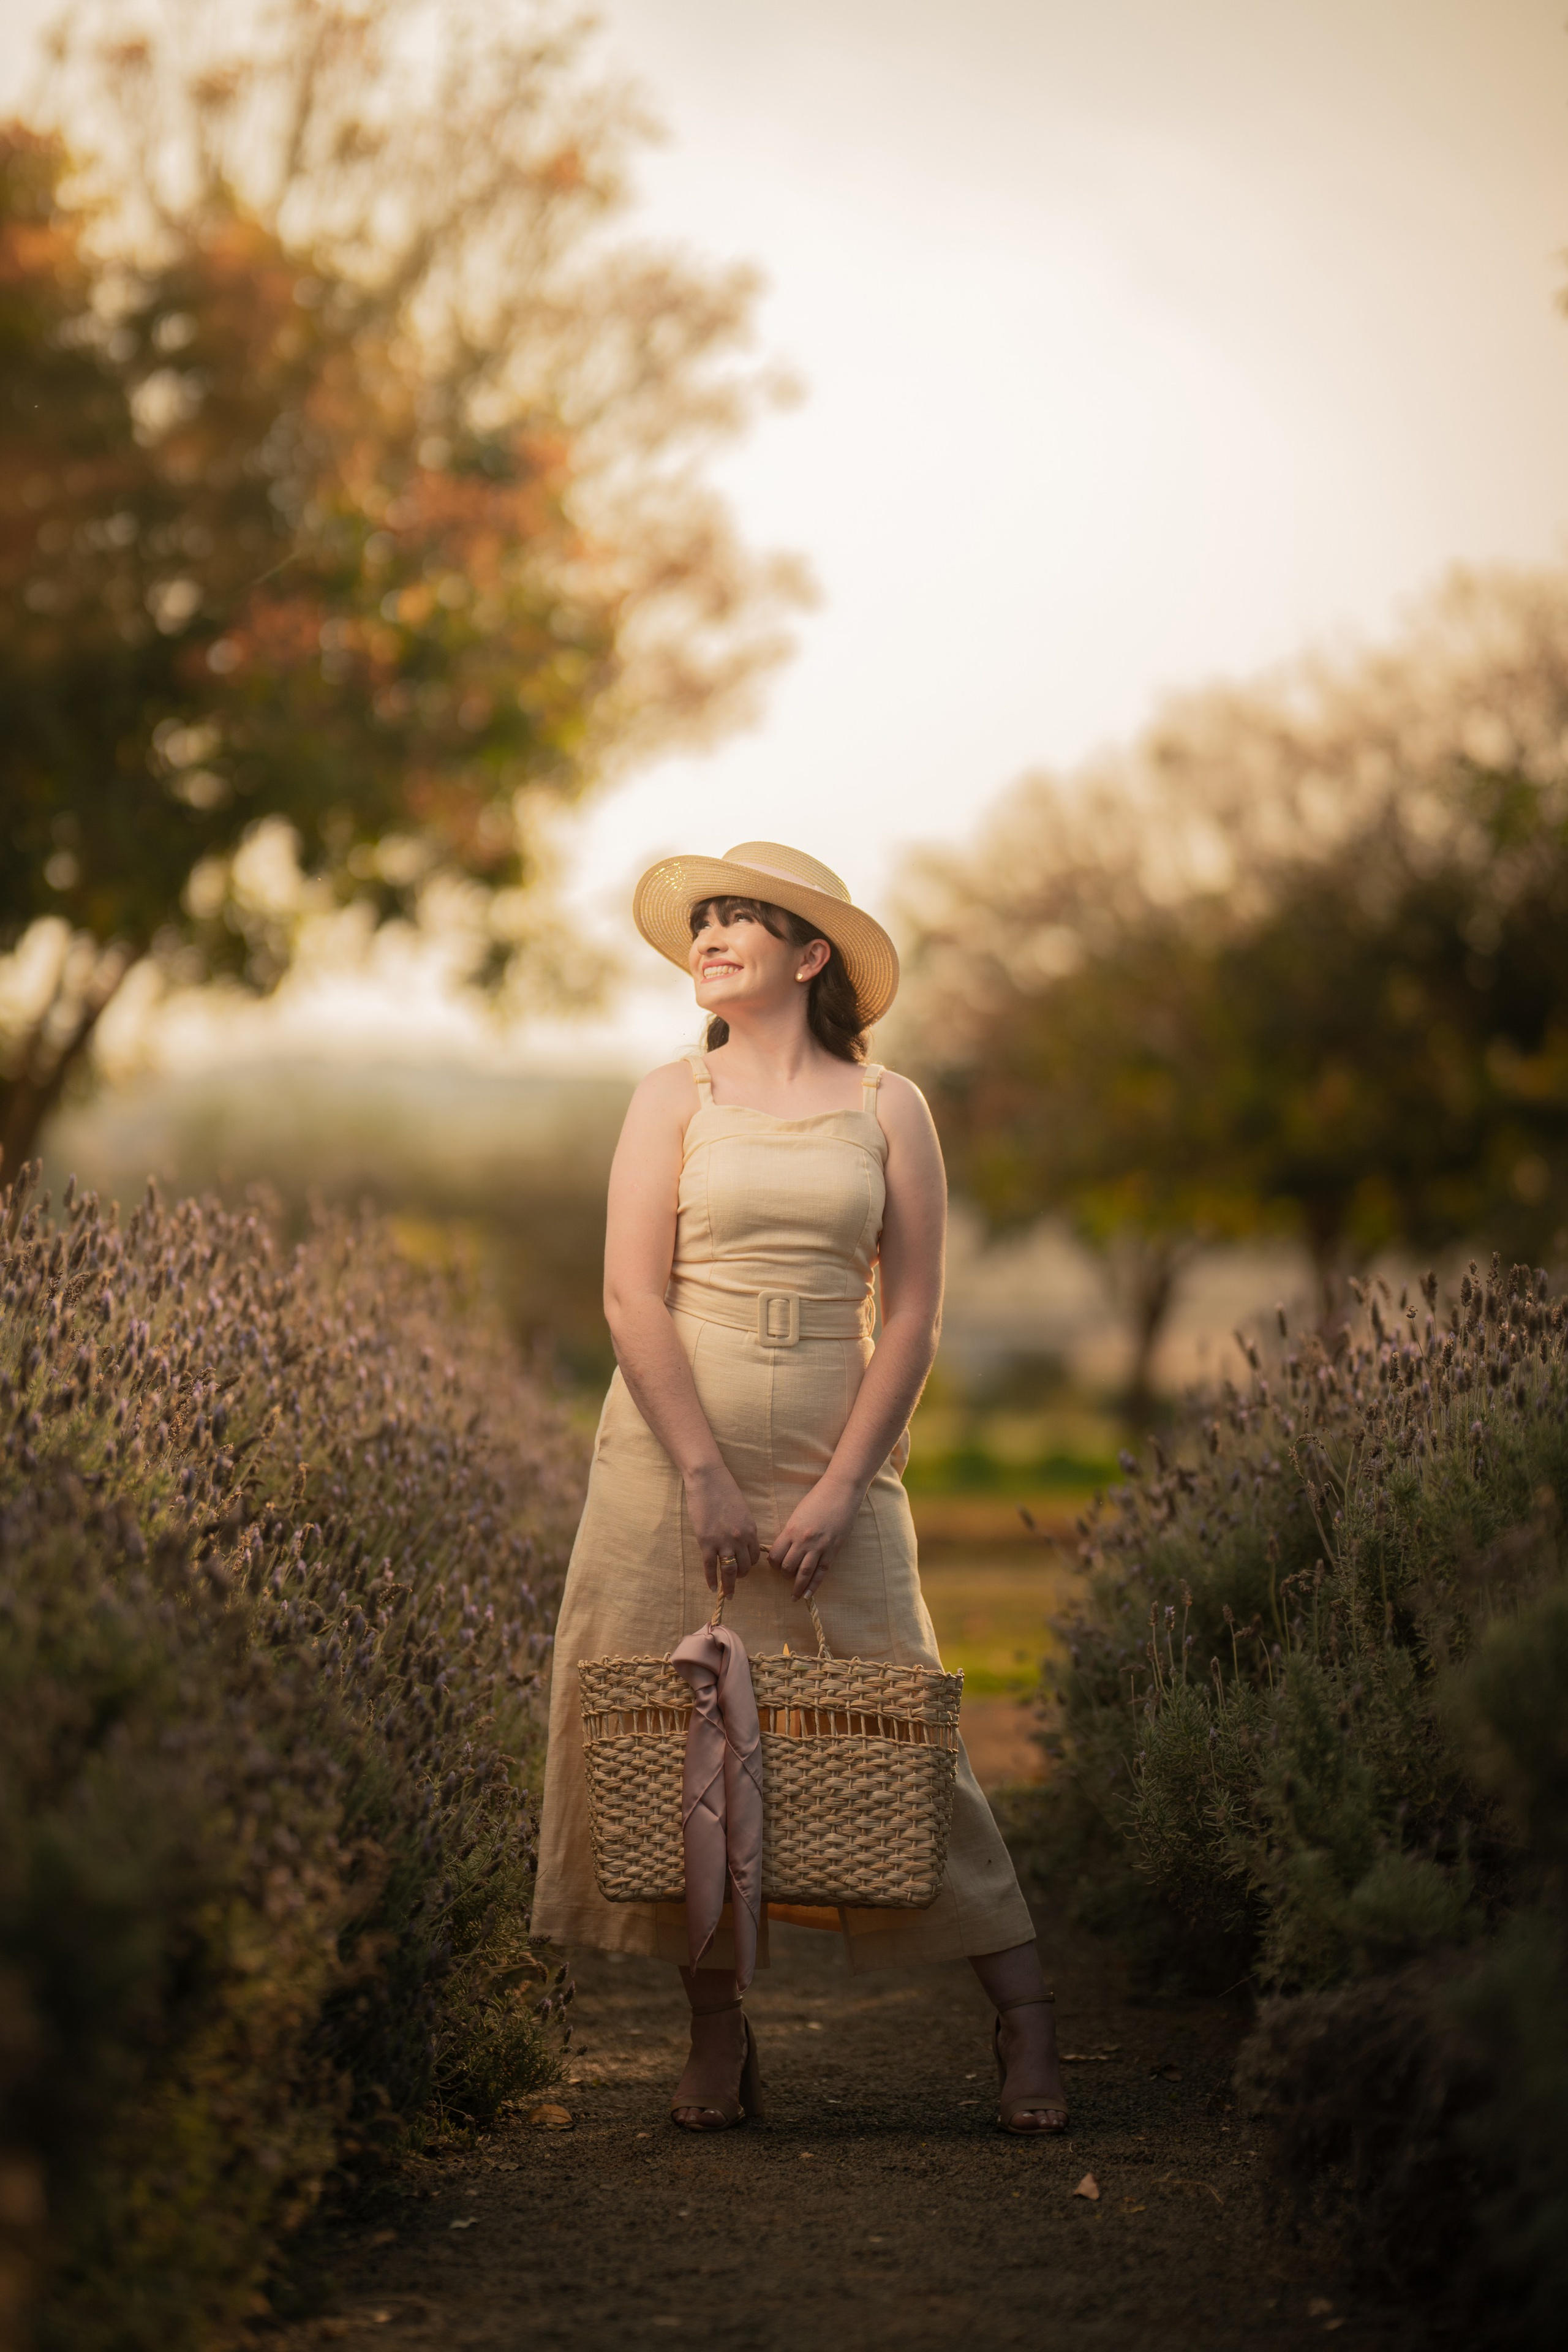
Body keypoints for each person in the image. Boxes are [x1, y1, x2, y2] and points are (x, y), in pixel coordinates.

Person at [531, 842, 1068, 2134]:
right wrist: (703, 1473)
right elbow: (626, 1296)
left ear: (808, 955)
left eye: (741, 921)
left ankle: (1027, 2030)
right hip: (669, 1458)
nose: (709, 937)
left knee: (904, 1723)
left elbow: (918, 1314)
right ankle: (714, 2041)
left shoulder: (892, 1106)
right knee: (679, 1750)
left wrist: (842, 1485)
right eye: (701, 921)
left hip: (836, 1453)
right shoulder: (669, 1095)